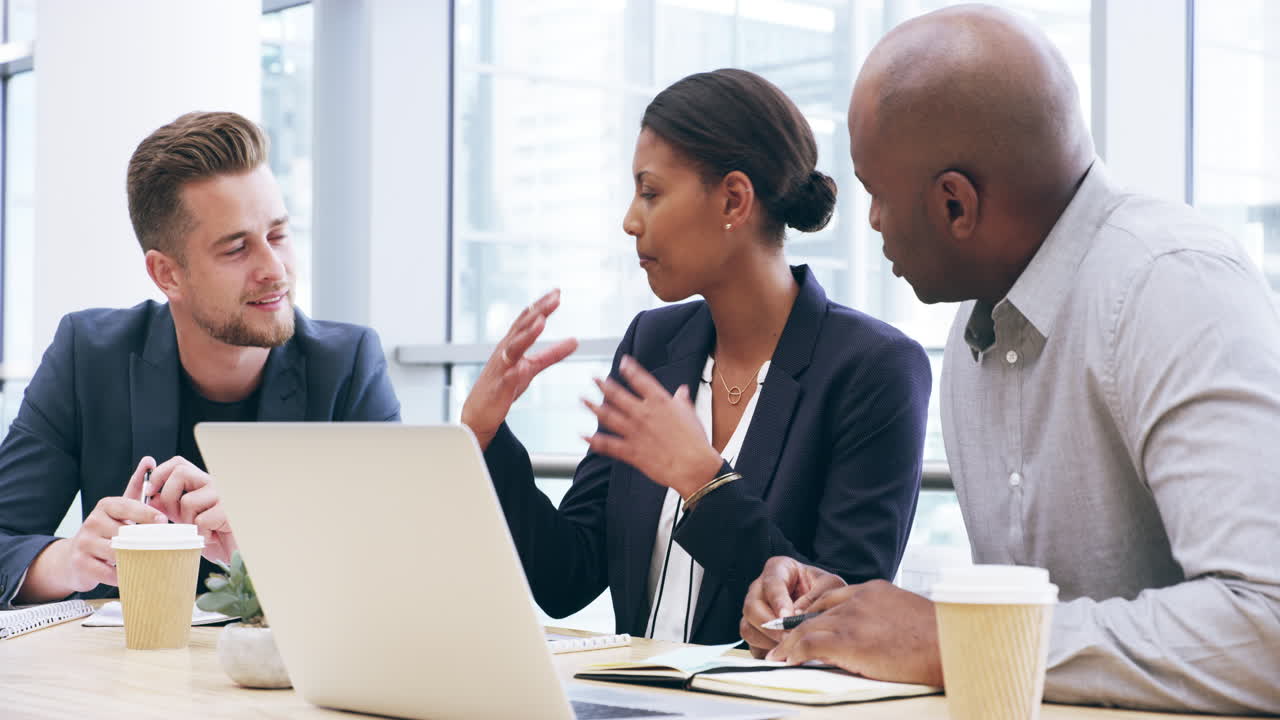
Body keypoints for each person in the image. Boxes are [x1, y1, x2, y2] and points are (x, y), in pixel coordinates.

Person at [740, 5, 1280, 714]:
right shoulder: (978, 333)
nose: (871, 222)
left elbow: (1265, 629)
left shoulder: (1171, 285)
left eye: (876, 195)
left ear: (955, 206)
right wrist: (846, 616)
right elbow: (1054, 621)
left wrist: (957, 639)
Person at [461, 68, 932, 645]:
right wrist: (486, 434)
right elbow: (567, 578)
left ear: (733, 199)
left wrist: (703, 483)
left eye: (650, 192)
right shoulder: (652, 344)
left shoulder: (874, 369)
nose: (630, 220)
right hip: (625, 694)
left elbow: (839, 620)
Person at [0, 111, 401, 607]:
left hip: (282, 657)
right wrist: (72, 560)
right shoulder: (89, 354)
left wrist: (259, 545)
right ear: (167, 274)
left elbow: (395, 565)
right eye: (237, 249)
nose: (275, 270)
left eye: (278, 235)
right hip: (122, 656)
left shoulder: (347, 366)